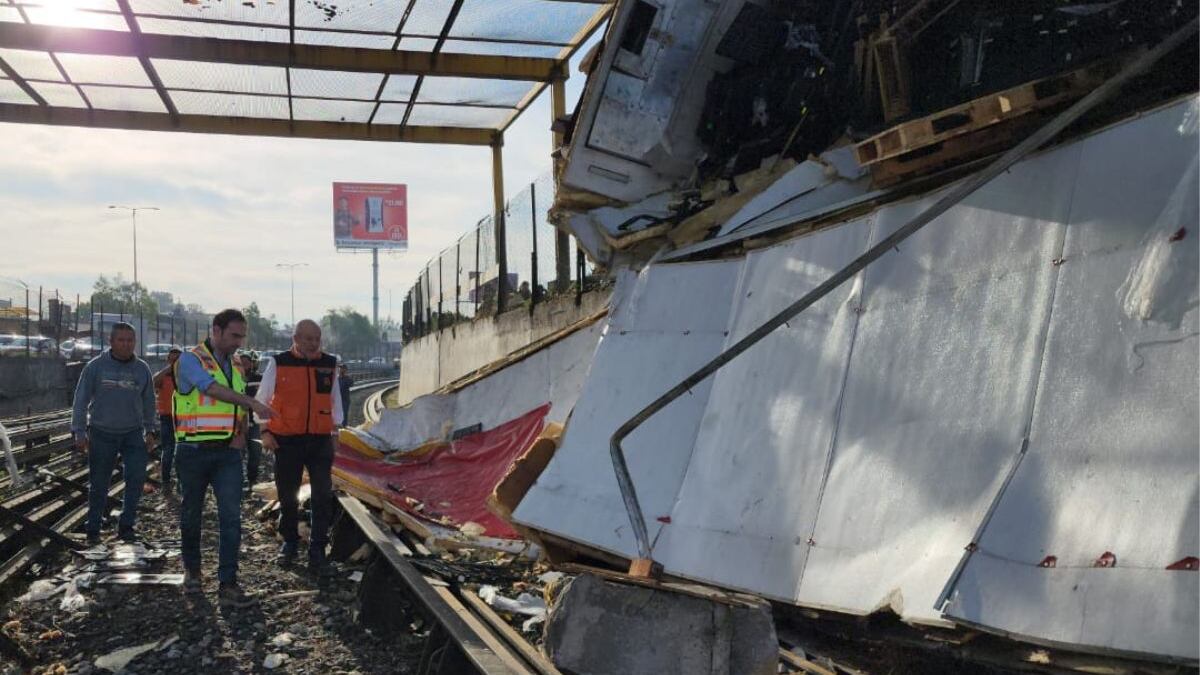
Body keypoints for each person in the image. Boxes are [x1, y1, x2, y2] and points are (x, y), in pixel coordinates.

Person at [173, 309, 276, 607]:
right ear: (215, 331)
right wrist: (252, 403)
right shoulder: (190, 360)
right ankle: (192, 572)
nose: (239, 342)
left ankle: (228, 583)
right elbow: (211, 389)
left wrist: (241, 432)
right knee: (192, 513)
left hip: (227, 453)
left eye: (242, 336)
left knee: (231, 517)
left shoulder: (234, 363)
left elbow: (237, 403)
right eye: (234, 335)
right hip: (193, 451)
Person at [255, 319, 342, 578]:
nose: (313, 344)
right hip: (286, 439)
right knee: (288, 494)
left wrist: (335, 430)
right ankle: (290, 542)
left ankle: (318, 548)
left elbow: (334, 399)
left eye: (317, 339)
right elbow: (262, 399)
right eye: (307, 339)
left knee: (322, 495)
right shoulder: (279, 362)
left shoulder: (329, 363)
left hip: (319, 439)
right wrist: (264, 430)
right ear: (295, 338)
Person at [70, 322, 157, 545]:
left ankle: (126, 526)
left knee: (136, 479)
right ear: (111, 341)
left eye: (130, 340)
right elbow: (80, 400)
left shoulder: (142, 369)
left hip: (133, 434)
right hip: (101, 433)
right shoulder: (95, 367)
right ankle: (93, 528)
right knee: (99, 483)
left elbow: (149, 402)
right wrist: (79, 431)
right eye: (121, 340)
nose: (126, 344)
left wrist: (151, 430)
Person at [152, 347, 182, 496]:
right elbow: (153, 382)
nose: (174, 362)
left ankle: (182, 481)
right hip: (167, 417)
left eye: (177, 360)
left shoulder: (186, 375)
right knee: (168, 449)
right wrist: (168, 369)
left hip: (184, 418)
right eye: (172, 360)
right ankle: (166, 480)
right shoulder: (164, 376)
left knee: (183, 450)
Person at [239, 353, 264, 491]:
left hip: (255, 421)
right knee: (238, 454)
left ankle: (252, 481)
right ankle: (238, 481)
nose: (244, 364)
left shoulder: (259, 379)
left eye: (246, 361)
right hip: (239, 421)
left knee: (255, 453)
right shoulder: (234, 378)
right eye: (241, 362)